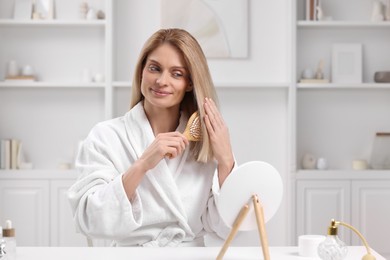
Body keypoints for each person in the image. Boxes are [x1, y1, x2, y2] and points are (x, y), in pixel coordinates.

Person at [67, 28, 235, 247]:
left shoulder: (205, 144)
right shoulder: (106, 136)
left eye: (177, 73)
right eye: (155, 69)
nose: (162, 81)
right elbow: (90, 220)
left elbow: (226, 227)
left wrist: (226, 161)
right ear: (141, 72)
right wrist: (142, 165)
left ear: (190, 83)